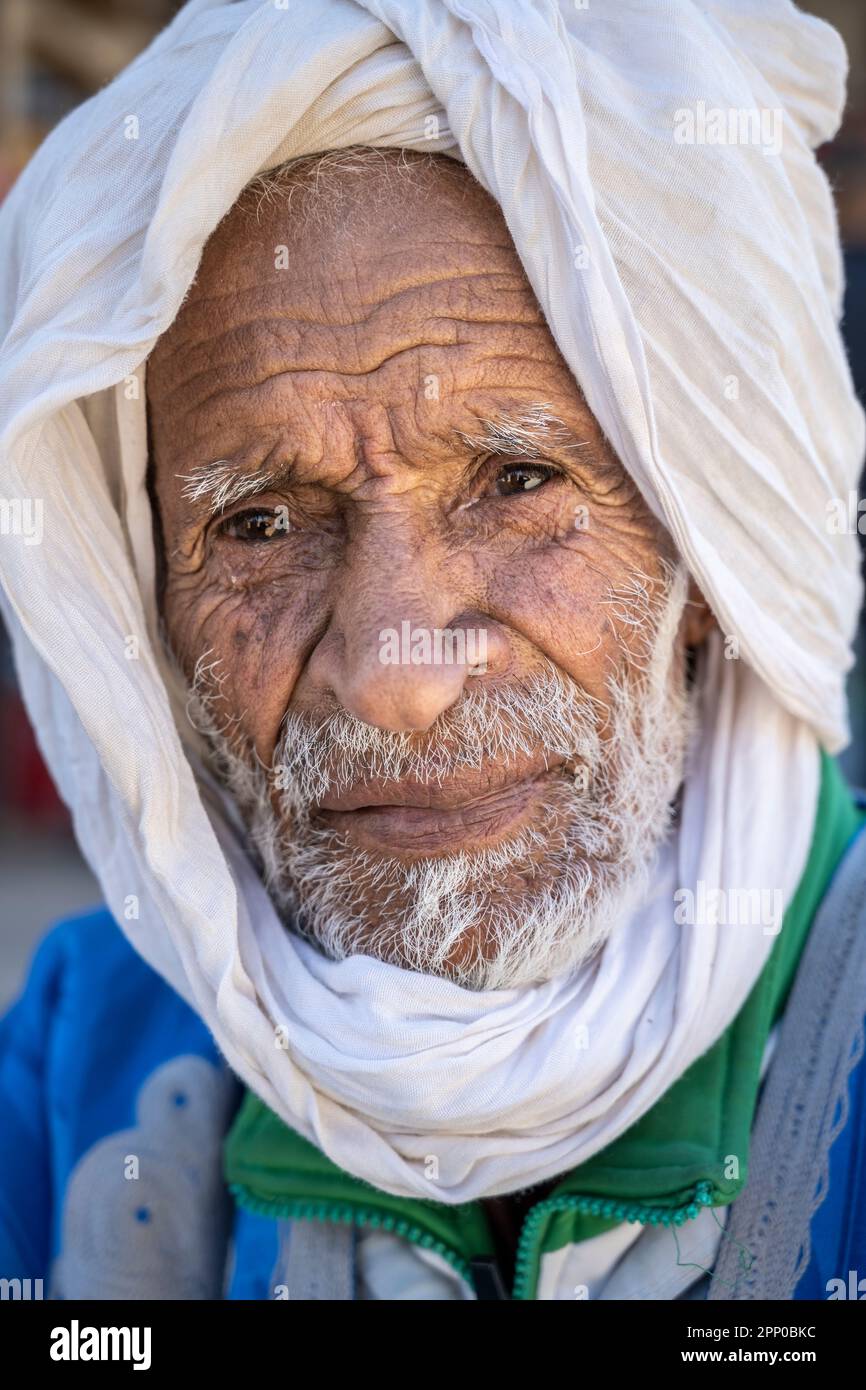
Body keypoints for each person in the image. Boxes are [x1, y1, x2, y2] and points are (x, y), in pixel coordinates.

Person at [0, 0, 864, 1301]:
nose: (396, 678)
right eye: (259, 520)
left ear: (712, 558)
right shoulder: (85, 1057)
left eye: (516, 479)